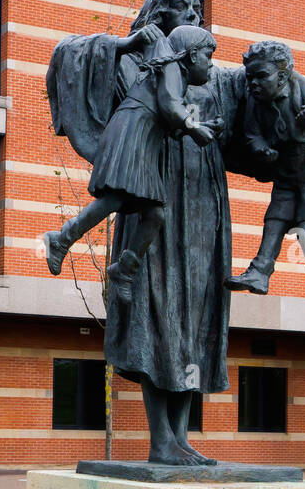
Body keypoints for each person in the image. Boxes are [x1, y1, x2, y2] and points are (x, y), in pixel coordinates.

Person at [46, 0, 244, 465]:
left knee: (196, 316)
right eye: (182, 6)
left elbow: (241, 115)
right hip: (150, 188)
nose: (193, 15)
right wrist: (127, 41)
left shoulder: (209, 69)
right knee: (158, 313)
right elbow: (69, 55)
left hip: (203, 201)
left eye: (196, 8)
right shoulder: (135, 57)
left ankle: (179, 439)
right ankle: (160, 441)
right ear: (159, 10)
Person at [46, 26, 222, 305]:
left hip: (144, 136)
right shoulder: (172, 68)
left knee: (155, 214)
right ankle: (62, 239)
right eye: (207, 55)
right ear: (189, 55)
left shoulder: (177, 78)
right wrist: (194, 127)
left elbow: (172, 120)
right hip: (133, 131)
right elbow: (168, 107)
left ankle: (124, 269)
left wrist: (200, 126)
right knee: (116, 196)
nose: (210, 63)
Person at [225, 40, 305, 313]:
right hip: (285, 167)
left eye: (261, 76)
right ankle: (260, 273)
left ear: (283, 74)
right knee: (274, 220)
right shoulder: (256, 101)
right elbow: (252, 133)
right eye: (251, 77)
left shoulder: (299, 85)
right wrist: (260, 149)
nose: (254, 83)